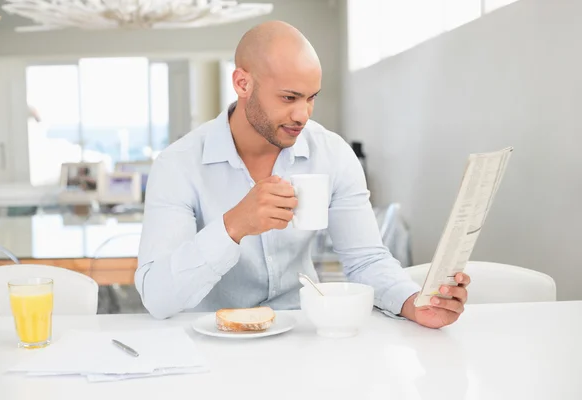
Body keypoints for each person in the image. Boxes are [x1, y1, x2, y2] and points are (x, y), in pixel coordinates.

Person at [136, 21, 470, 329]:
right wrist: (234, 226)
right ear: (242, 83)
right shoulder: (178, 165)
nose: (303, 114)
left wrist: (413, 303)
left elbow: (366, 260)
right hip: (209, 337)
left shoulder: (333, 154)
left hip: (302, 333)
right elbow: (158, 298)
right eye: (288, 98)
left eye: (311, 98)